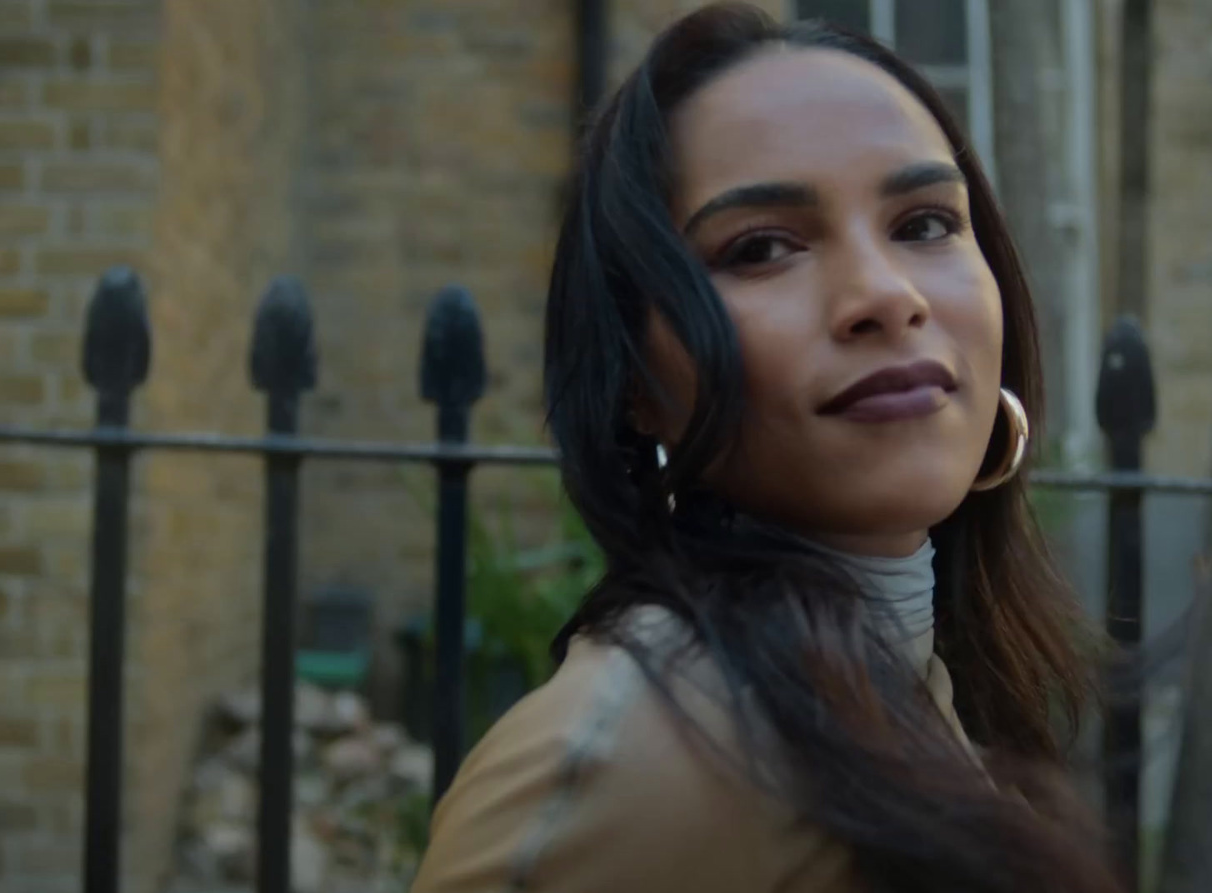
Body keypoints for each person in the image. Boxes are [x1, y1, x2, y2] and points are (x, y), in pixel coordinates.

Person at [411, 4, 1120, 891]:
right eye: (762, 248)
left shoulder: (905, 670)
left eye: (926, 223)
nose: (885, 295)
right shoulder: (640, 756)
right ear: (636, 379)